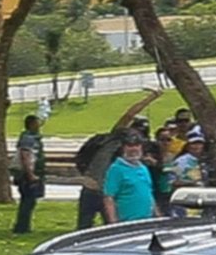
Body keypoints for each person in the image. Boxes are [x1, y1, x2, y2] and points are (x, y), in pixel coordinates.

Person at [74, 89, 165, 229]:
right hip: (93, 190)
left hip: (112, 192)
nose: (133, 144)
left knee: (112, 229)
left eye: (137, 143)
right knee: (84, 229)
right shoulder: (114, 138)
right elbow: (129, 115)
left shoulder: (132, 161)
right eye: (130, 142)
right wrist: (150, 98)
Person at [103, 131, 158, 224]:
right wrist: (113, 222)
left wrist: (157, 214)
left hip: (147, 220)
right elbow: (109, 197)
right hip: (127, 222)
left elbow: (149, 193)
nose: (134, 148)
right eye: (130, 145)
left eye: (137, 145)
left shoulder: (143, 168)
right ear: (123, 148)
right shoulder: (116, 169)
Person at [13, 114, 45, 235]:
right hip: (28, 175)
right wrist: (30, 174)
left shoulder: (33, 137)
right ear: (31, 124)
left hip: (32, 173)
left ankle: (24, 225)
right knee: (28, 200)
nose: (39, 125)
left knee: (29, 201)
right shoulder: (28, 138)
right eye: (37, 122)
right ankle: (22, 227)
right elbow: (25, 155)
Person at [165, 128, 208, 215]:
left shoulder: (206, 160)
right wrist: (191, 183)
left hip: (202, 201)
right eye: (193, 144)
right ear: (188, 145)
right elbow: (171, 182)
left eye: (199, 143)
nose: (197, 147)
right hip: (185, 203)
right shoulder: (180, 162)